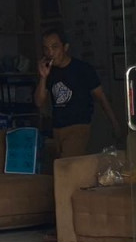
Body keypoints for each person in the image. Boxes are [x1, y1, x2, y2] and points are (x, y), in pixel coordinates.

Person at [35, 27, 121, 158]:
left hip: (78, 126)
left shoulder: (83, 69)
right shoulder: (49, 72)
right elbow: (39, 102)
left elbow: (101, 97)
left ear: (65, 47)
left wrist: (114, 123)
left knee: (68, 164)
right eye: (46, 49)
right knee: (60, 164)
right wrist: (43, 77)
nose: (50, 53)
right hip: (57, 127)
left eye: (55, 47)